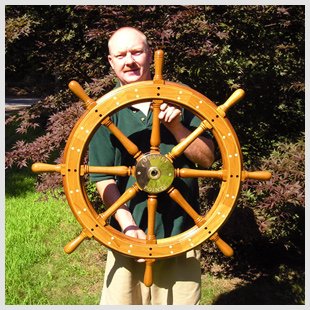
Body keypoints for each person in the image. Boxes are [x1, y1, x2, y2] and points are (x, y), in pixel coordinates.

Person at [89, 27, 215, 305]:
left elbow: (207, 160)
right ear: (111, 62)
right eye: (120, 55)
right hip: (127, 233)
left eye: (136, 52)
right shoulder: (103, 110)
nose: (129, 61)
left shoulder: (182, 99)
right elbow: (101, 177)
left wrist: (176, 126)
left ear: (150, 55)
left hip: (183, 231)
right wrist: (128, 227)